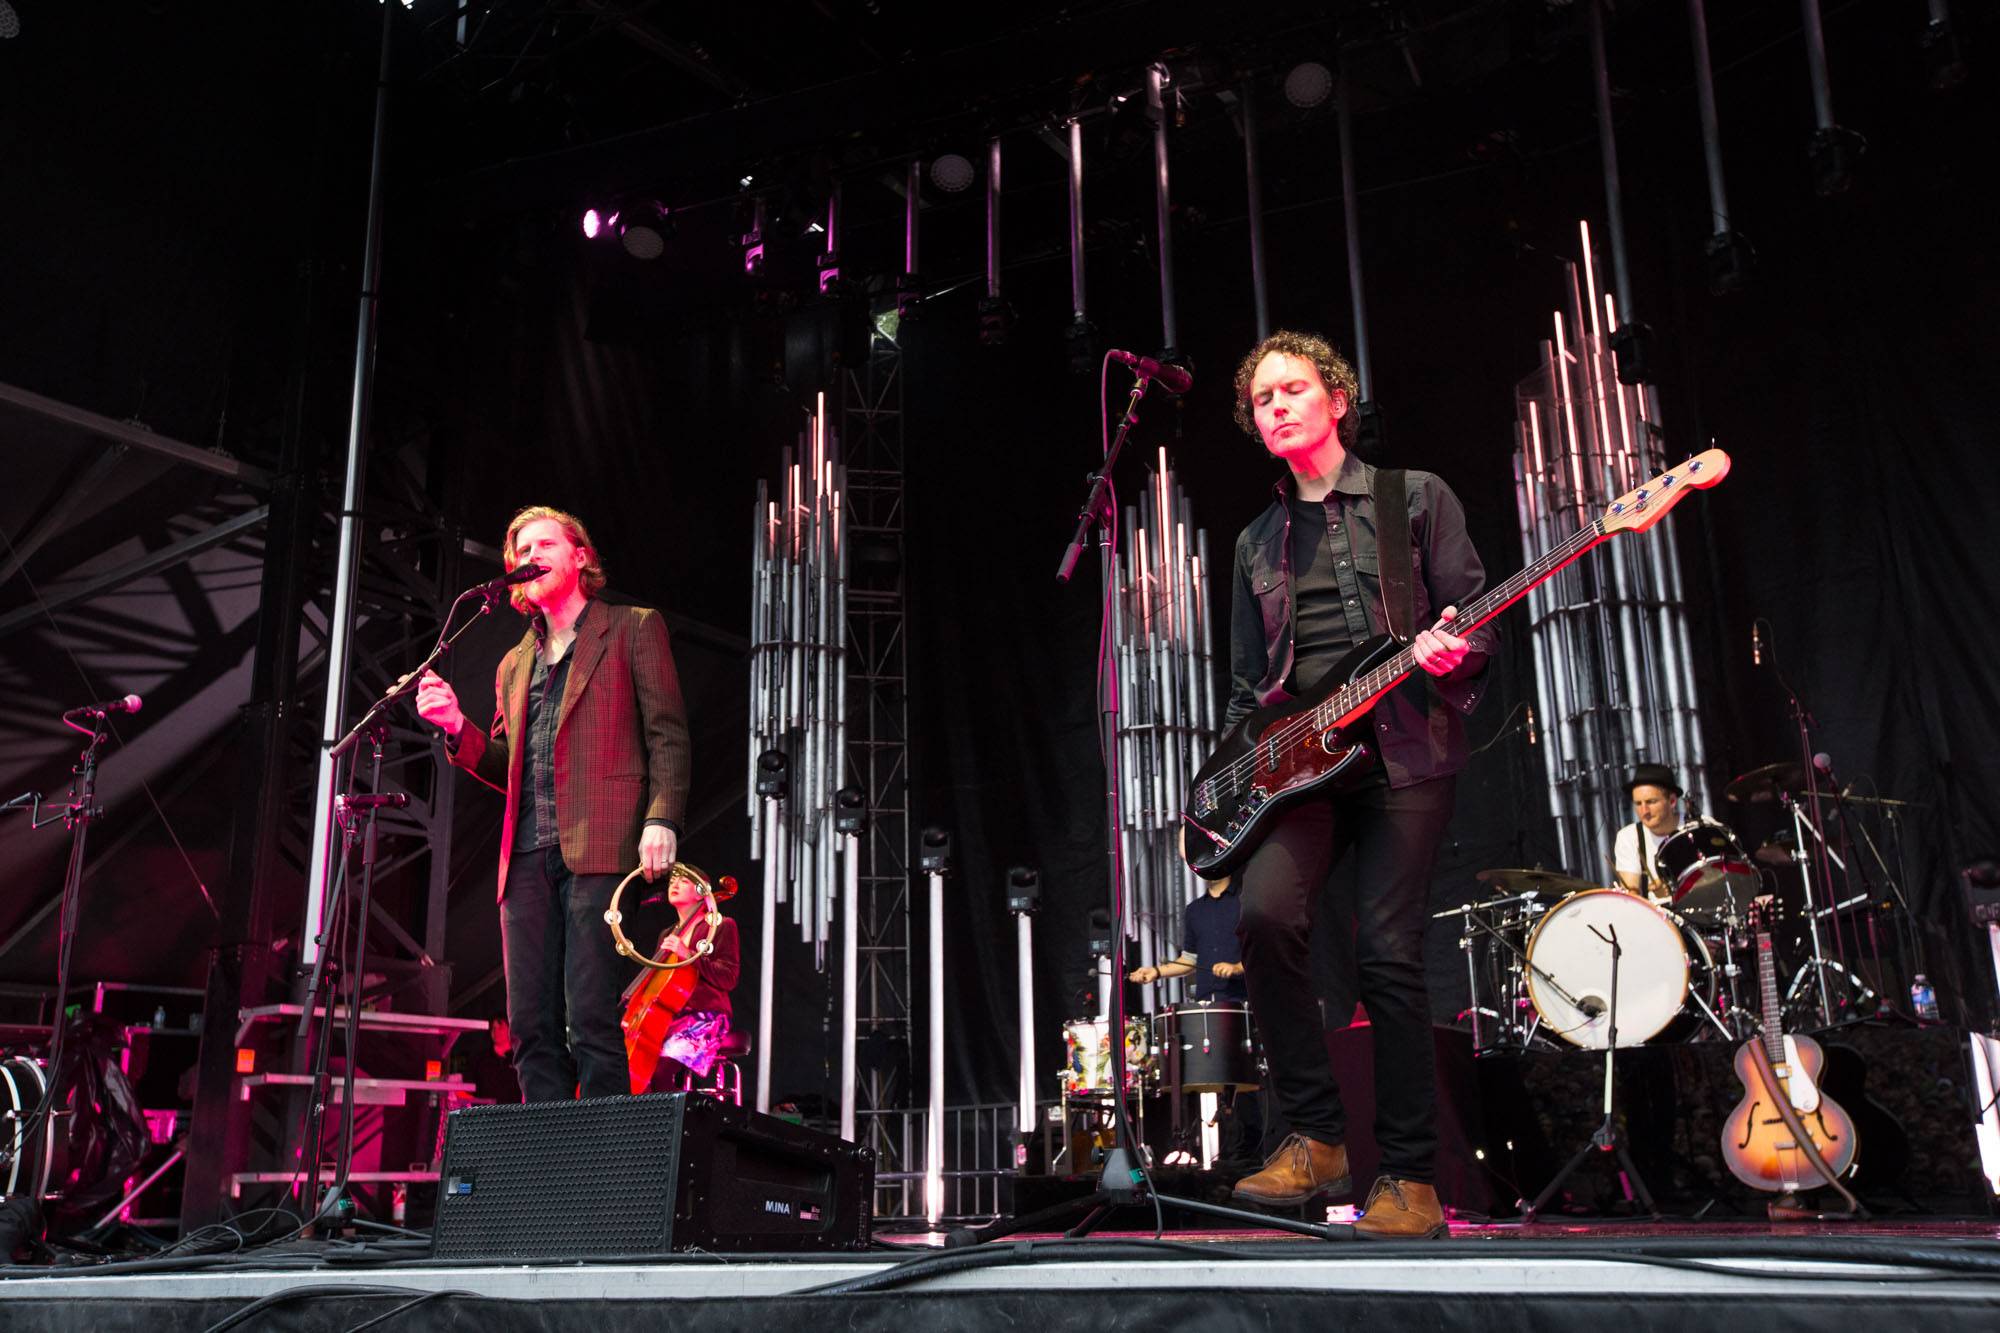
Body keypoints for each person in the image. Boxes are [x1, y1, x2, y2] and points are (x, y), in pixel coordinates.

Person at [1217, 330, 1494, 1240]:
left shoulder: (1413, 497)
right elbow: (1243, 687)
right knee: (1263, 915)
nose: (1277, 406)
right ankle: (1316, 1137)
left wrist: (1452, 657)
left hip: (1407, 746)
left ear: (1336, 398)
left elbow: (1474, 617)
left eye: (1293, 389)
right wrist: (1242, 776)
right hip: (1302, 763)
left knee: (1386, 951)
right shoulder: (1256, 541)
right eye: (1262, 399)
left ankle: (1410, 1180)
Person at [415, 506, 691, 1102]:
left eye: (543, 544)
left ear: (581, 557)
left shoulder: (631, 627)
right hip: (526, 857)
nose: (526, 558)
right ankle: (550, 1174)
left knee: (591, 1019)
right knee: (531, 1029)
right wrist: (457, 726)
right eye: (518, 551)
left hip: (600, 845)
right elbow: (503, 764)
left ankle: (605, 1174)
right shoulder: (515, 663)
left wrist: (661, 817)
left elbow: (667, 733)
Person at [638, 868, 742, 1092]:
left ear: (700, 892)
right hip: (670, 1017)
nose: (674, 884)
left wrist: (688, 955)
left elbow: (729, 977)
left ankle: (677, 1122)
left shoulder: (721, 925)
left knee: (659, 1071)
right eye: (672, 881)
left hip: (705, 1017)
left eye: (683, 881)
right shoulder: (667, 934)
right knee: (638, 1070)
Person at [1612, 763, 1683, 897]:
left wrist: (1673, 887)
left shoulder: (1701, 826)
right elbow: (1631, 895)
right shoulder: (1629, 837)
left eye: (1651, 802)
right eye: (1638, 804)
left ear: (1672, 801)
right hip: (1655, 916)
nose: (1644, 811)